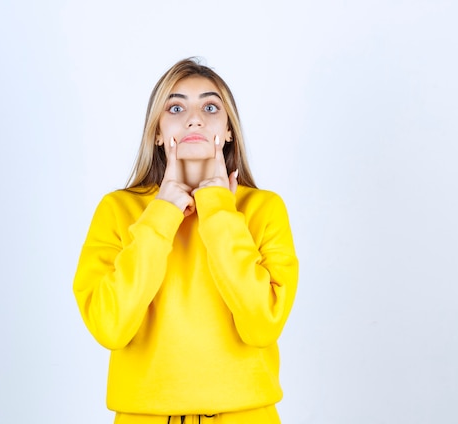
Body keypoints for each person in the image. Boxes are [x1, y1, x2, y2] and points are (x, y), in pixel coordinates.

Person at [73, 58, 299, 424]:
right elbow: (109, 326)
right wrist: (162, 213)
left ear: (228, 131)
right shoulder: (118, 209)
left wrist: (218, 209)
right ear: (158, 132)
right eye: (176, 107)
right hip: (143, 416)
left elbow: (262, 325)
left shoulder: (264, 209)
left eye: (210, 107)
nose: (195, 118)